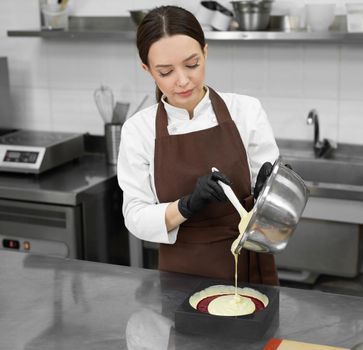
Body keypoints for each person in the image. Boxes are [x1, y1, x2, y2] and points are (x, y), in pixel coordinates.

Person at [117, 5, 279, 285]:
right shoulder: (138, 131)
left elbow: (275, 221)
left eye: (192, 64)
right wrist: (187, 205)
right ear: (147, 70)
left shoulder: (246, 111)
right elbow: (135, 217)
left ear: (205, 52)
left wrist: (270, 196)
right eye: (165, 72)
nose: (182, 80)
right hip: (182, 276)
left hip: (250, 269)